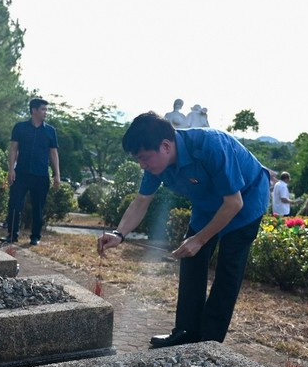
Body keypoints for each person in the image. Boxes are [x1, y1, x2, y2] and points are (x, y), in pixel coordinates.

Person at [98, 112, 269, 348]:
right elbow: (141, 201)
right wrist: (119, 234)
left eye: (145, 158)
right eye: (139, 160)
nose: (142, 165)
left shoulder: (211, 145)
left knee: (228, 271)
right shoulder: (155, 166)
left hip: (244, 203)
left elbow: (233, 203)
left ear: (166, 146)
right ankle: (186, 333)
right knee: (191, 261)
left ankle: (208, 343)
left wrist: (199, 239)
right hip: (207, 206)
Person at [2, 98, 61, 246]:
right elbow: (14, 149)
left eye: (46, 110)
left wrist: (57, 175)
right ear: (34, 110)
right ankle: (12, 235)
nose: (45, 112)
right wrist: (11, 169)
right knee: (14, 204)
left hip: (41, 175)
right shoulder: (20, 127)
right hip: (21, 173)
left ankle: (35, 237)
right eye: (43, 109)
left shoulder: (50, 131)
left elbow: (53, 153)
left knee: (38, 207)